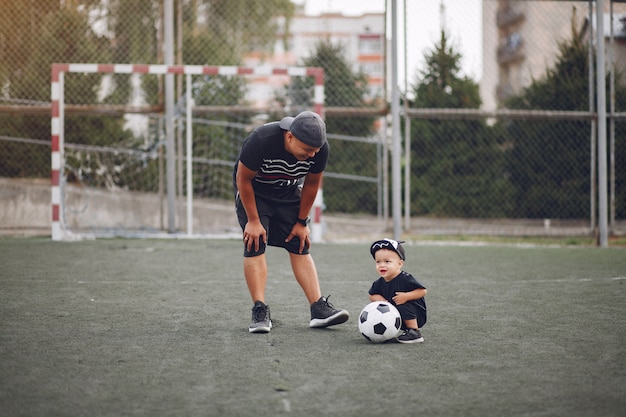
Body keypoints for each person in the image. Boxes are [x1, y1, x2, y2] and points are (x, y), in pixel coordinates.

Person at [233, 110, 350, 333]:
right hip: (254, 191)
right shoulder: (261, 140)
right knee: (255, 243)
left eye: (316, 151)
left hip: (287, 191)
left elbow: (312, 184)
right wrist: (254, 221)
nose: (312, 155)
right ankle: (259, 310)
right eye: (307, 150)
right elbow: (243, 179)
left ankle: (318, 308)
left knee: (300, 243)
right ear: (290, 137)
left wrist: (301, 221)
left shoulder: (320, 149)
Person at [368, 238, 427, 343]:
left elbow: (422, 291)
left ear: (399, 264)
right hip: (396, 314)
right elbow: (372, 294)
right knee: (379, 308)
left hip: (415, 314)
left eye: (387, 261)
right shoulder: (379, 283)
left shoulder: (405, 278)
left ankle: (414, 332)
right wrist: (379, 299)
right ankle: (386, 331)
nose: (382, 265)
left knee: (402, 303)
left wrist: (406, 296)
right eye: (378, 262)